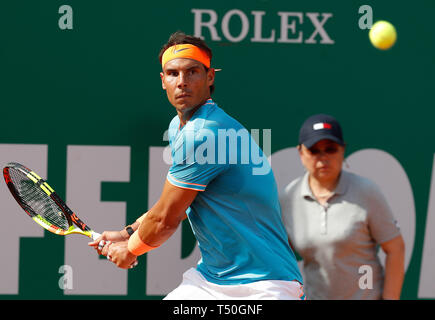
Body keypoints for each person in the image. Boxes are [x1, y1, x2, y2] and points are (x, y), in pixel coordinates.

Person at [88, 31, 304, 300]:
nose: (182, 82)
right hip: (209, 281)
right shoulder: (180, 128)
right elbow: (170, 204)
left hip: (265, 285)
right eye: (173, 73)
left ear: (210, 76)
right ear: (163, 80)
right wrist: (126, 233)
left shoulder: (205, 133)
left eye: (192, 72)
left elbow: (167, 219)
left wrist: (130, 250)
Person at [279, 114, 405, 300]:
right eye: (314, 150)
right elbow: (280, 258)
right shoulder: (288, 197)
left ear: (342, 150)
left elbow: (395, 248)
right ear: (300, 153)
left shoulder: (366, 192)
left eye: (330, 149)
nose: (323, 158)